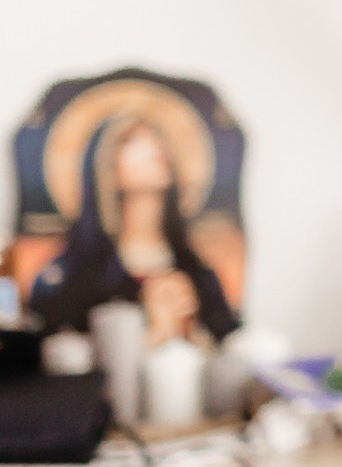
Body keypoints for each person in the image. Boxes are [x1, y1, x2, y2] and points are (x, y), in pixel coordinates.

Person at [31, 115, 238, 344]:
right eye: (132, 141)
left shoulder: (195, 270)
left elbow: (228, 340)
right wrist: (152, 333)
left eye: (157, 139)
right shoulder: (78, 272)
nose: (154, 147)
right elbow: (54, 346)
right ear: (105, 165)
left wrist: (190, 328)